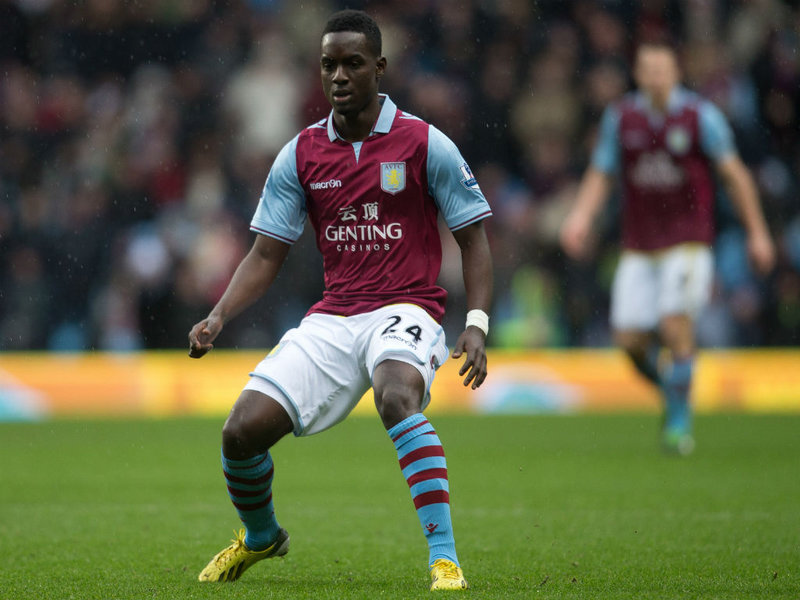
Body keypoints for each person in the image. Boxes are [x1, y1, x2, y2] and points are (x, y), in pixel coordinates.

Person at [188, 9, 492, 591]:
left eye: (353, 64)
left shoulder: (425, 143)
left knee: (397, 395)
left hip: (407, 309)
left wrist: (475, 323)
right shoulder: (300, 154)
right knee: (238, 432)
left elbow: (474, 238)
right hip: (334, 316)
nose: (339, 77)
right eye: (328, 65)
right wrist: (219, 313)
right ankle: (261, 537)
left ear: (380, 67)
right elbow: (265, 253)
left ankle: (444, 557)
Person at [560, 42, 774, 455]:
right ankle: (674, 392)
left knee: (675, 323)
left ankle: (679, 422)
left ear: (676, 72)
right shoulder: (621, 118)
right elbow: (601, 173)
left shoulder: (700, 117)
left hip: (688, 240)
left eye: (662, 69)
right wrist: (581, 218)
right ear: (638, 74)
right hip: (639, 244)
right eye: (648, 69)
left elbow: (735, 176)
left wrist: (758, 232)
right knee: (629, 340)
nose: (655, 76)